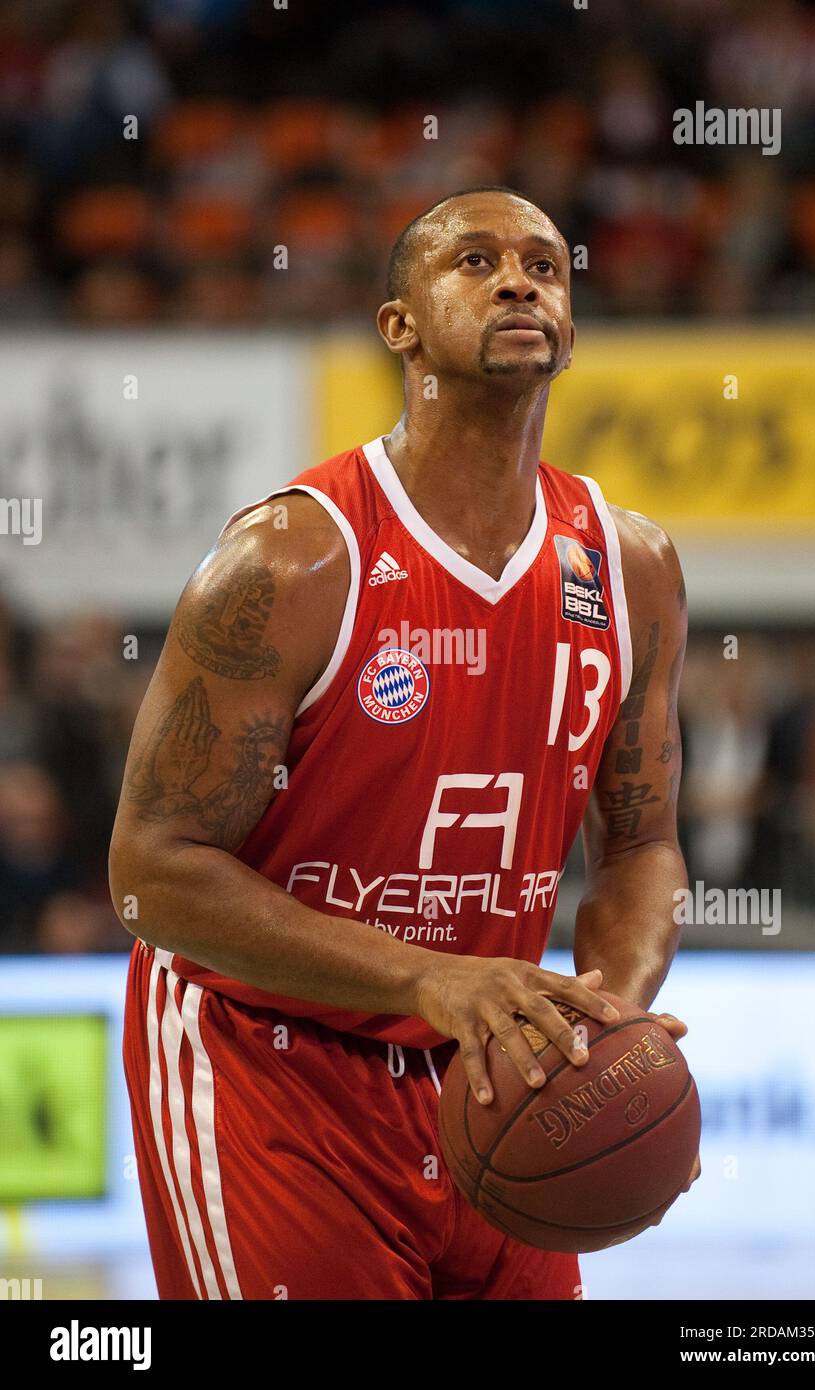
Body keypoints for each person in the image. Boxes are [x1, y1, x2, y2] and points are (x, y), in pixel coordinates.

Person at [110, 185, 696, 1301]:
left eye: (543, 265)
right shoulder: (291, 560)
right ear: (400, 326)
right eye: (473, 262)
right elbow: (148, 876)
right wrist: (432, 975)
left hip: (492, 1064)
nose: (519, 279)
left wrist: (605, 1009)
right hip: (267, 1059)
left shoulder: (631, 567)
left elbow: (644, 845)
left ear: (569, 329)